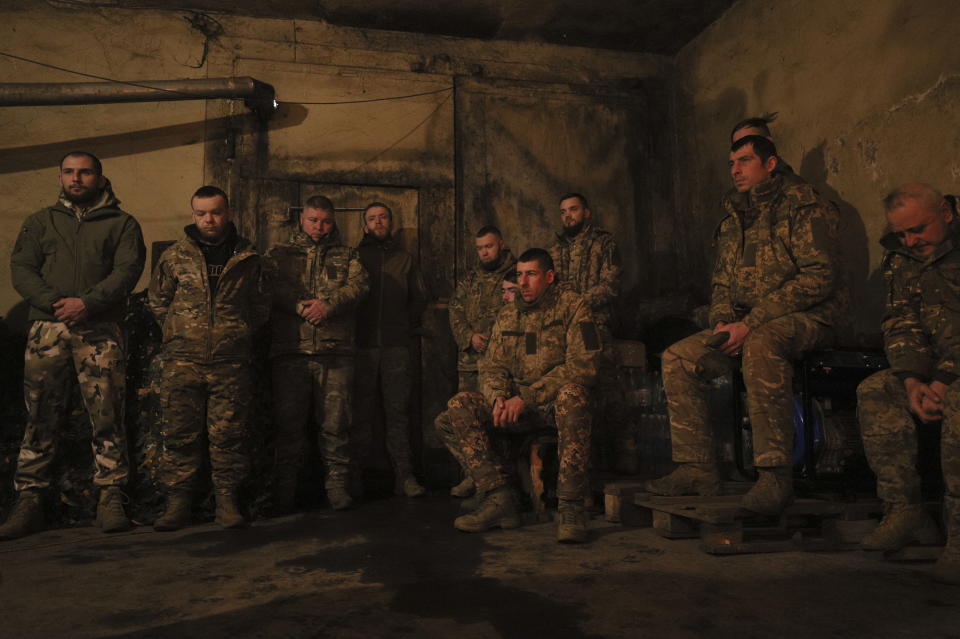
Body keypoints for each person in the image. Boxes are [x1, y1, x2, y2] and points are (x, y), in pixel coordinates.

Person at [645, 135, 846, 515]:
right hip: (746, 323)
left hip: (809, 318)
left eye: (745, 160)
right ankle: (698, 468)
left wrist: (751, 323)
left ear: (770, 164)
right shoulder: (736, 216)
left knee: (761, 345)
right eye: (732, 162)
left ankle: (774, 476)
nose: (735, 169)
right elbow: (722, 281)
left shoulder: (804, 206)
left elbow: (820, 277)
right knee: (678, 357)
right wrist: (724, 319)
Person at [0, 151, 145, 540]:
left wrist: (88, 303)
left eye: (84, 172)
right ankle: (30, 500)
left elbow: (127, 271)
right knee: (40, 415)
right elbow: (22, 269)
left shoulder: (122, 224)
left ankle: (111, 495)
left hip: (100, 330)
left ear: (100, 177)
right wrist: (54, 304)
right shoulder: (40, 222)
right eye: (69, 172)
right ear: (60, 177)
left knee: (108, 414)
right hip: (47, 329)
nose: (76, 179)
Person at [435, 248, 602, 543]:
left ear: (549, 277)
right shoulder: (508, 314)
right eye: (519, 275)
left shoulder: (575, 307)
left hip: (551, 406)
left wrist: (527, 395)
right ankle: (500, 498)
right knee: (456, 408)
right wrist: (498, 397)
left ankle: (571, 507)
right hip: (514, 408)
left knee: (573, 396)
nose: (523, 282)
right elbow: (492, 366)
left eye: (531, 274)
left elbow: (585, 364)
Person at [148, 186, 269, 531]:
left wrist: (236, 331)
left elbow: (261, 305)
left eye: (215, 212)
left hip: (230, 362)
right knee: (179, 433)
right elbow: (158, 302)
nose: (208, 219)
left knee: (229, 434)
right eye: (201, 213)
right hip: (182, 360)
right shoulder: (174, 256)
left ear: (228, 213)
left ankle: (227, 503)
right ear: (193, 215)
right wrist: (180, 332)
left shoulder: (248, 257)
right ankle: (178, 504)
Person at [856, 184, 959, 585]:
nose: (910, 241)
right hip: (933, 370)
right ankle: (905, 510)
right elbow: (900, 322)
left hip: (953, 374)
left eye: (918, 229)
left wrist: (946, 381)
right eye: (901, 234)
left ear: (947, 213)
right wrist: (914, 380)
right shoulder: (901, 258)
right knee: (875, 389)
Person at [264, 195, 369, 512]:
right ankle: (284, 492)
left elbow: (360, 285)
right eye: (313, 220)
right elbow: (269, 286)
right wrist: (298, 306)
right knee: (288, 426)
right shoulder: (280, 254)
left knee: (336, 425)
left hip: (334, 353)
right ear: (302, 219)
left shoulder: (347, 254)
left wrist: (329, 305)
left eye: (325, 221)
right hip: (291, 352)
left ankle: (337, 488)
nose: (319, 227)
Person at [548, 193, 632, 473]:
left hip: (593, 325)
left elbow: (611, 286)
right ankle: (582, 466)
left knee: (605, 389)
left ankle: (618, 461)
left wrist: (576, 303)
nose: (568, 216)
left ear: (586, 212)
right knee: (572, 390)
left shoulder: (603, 243)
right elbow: (551, 289)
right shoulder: (556, 249)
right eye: (563, 212)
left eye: (573, 210)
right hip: (564, 329)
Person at [354, 202, 429, 497]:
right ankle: (354, 479)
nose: (378, 222)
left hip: (396, 348)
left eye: (383, 217)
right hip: (362, 348)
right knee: (360, 414)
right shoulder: (355, 258)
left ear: (391, 222)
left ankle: (405, 477)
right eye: (372, 218)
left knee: (398, 413)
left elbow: (419, 299)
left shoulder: (405, 259)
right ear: (365, 226)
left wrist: (401, 326)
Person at [446, 225, 516, 498]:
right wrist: (469, 336)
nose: (484, 252)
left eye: (489, 246)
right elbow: (455, 311)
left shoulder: (515, 276)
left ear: (501, 243)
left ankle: (503, 483)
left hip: (501, 364)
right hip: (470, 363)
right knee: (462, 419)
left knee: (497, 423)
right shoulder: (469, 279)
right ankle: (474, 477)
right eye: (480, 248)